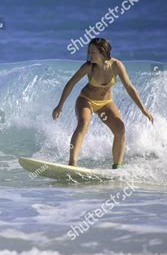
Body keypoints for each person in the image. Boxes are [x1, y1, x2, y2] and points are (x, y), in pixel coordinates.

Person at [52, 38, 153, 168]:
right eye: (89, 51)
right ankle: (72, 163)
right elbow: (71, 84)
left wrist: (143, 109)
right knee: (83, 124)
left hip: (105, 103)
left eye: (93, 52)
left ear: (102, 52)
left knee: (120, 129)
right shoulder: (88, 67)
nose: (90, 55)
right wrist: (60, 105)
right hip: (86, 100)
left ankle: (117, 167)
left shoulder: (116, 65)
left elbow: (129, 87)